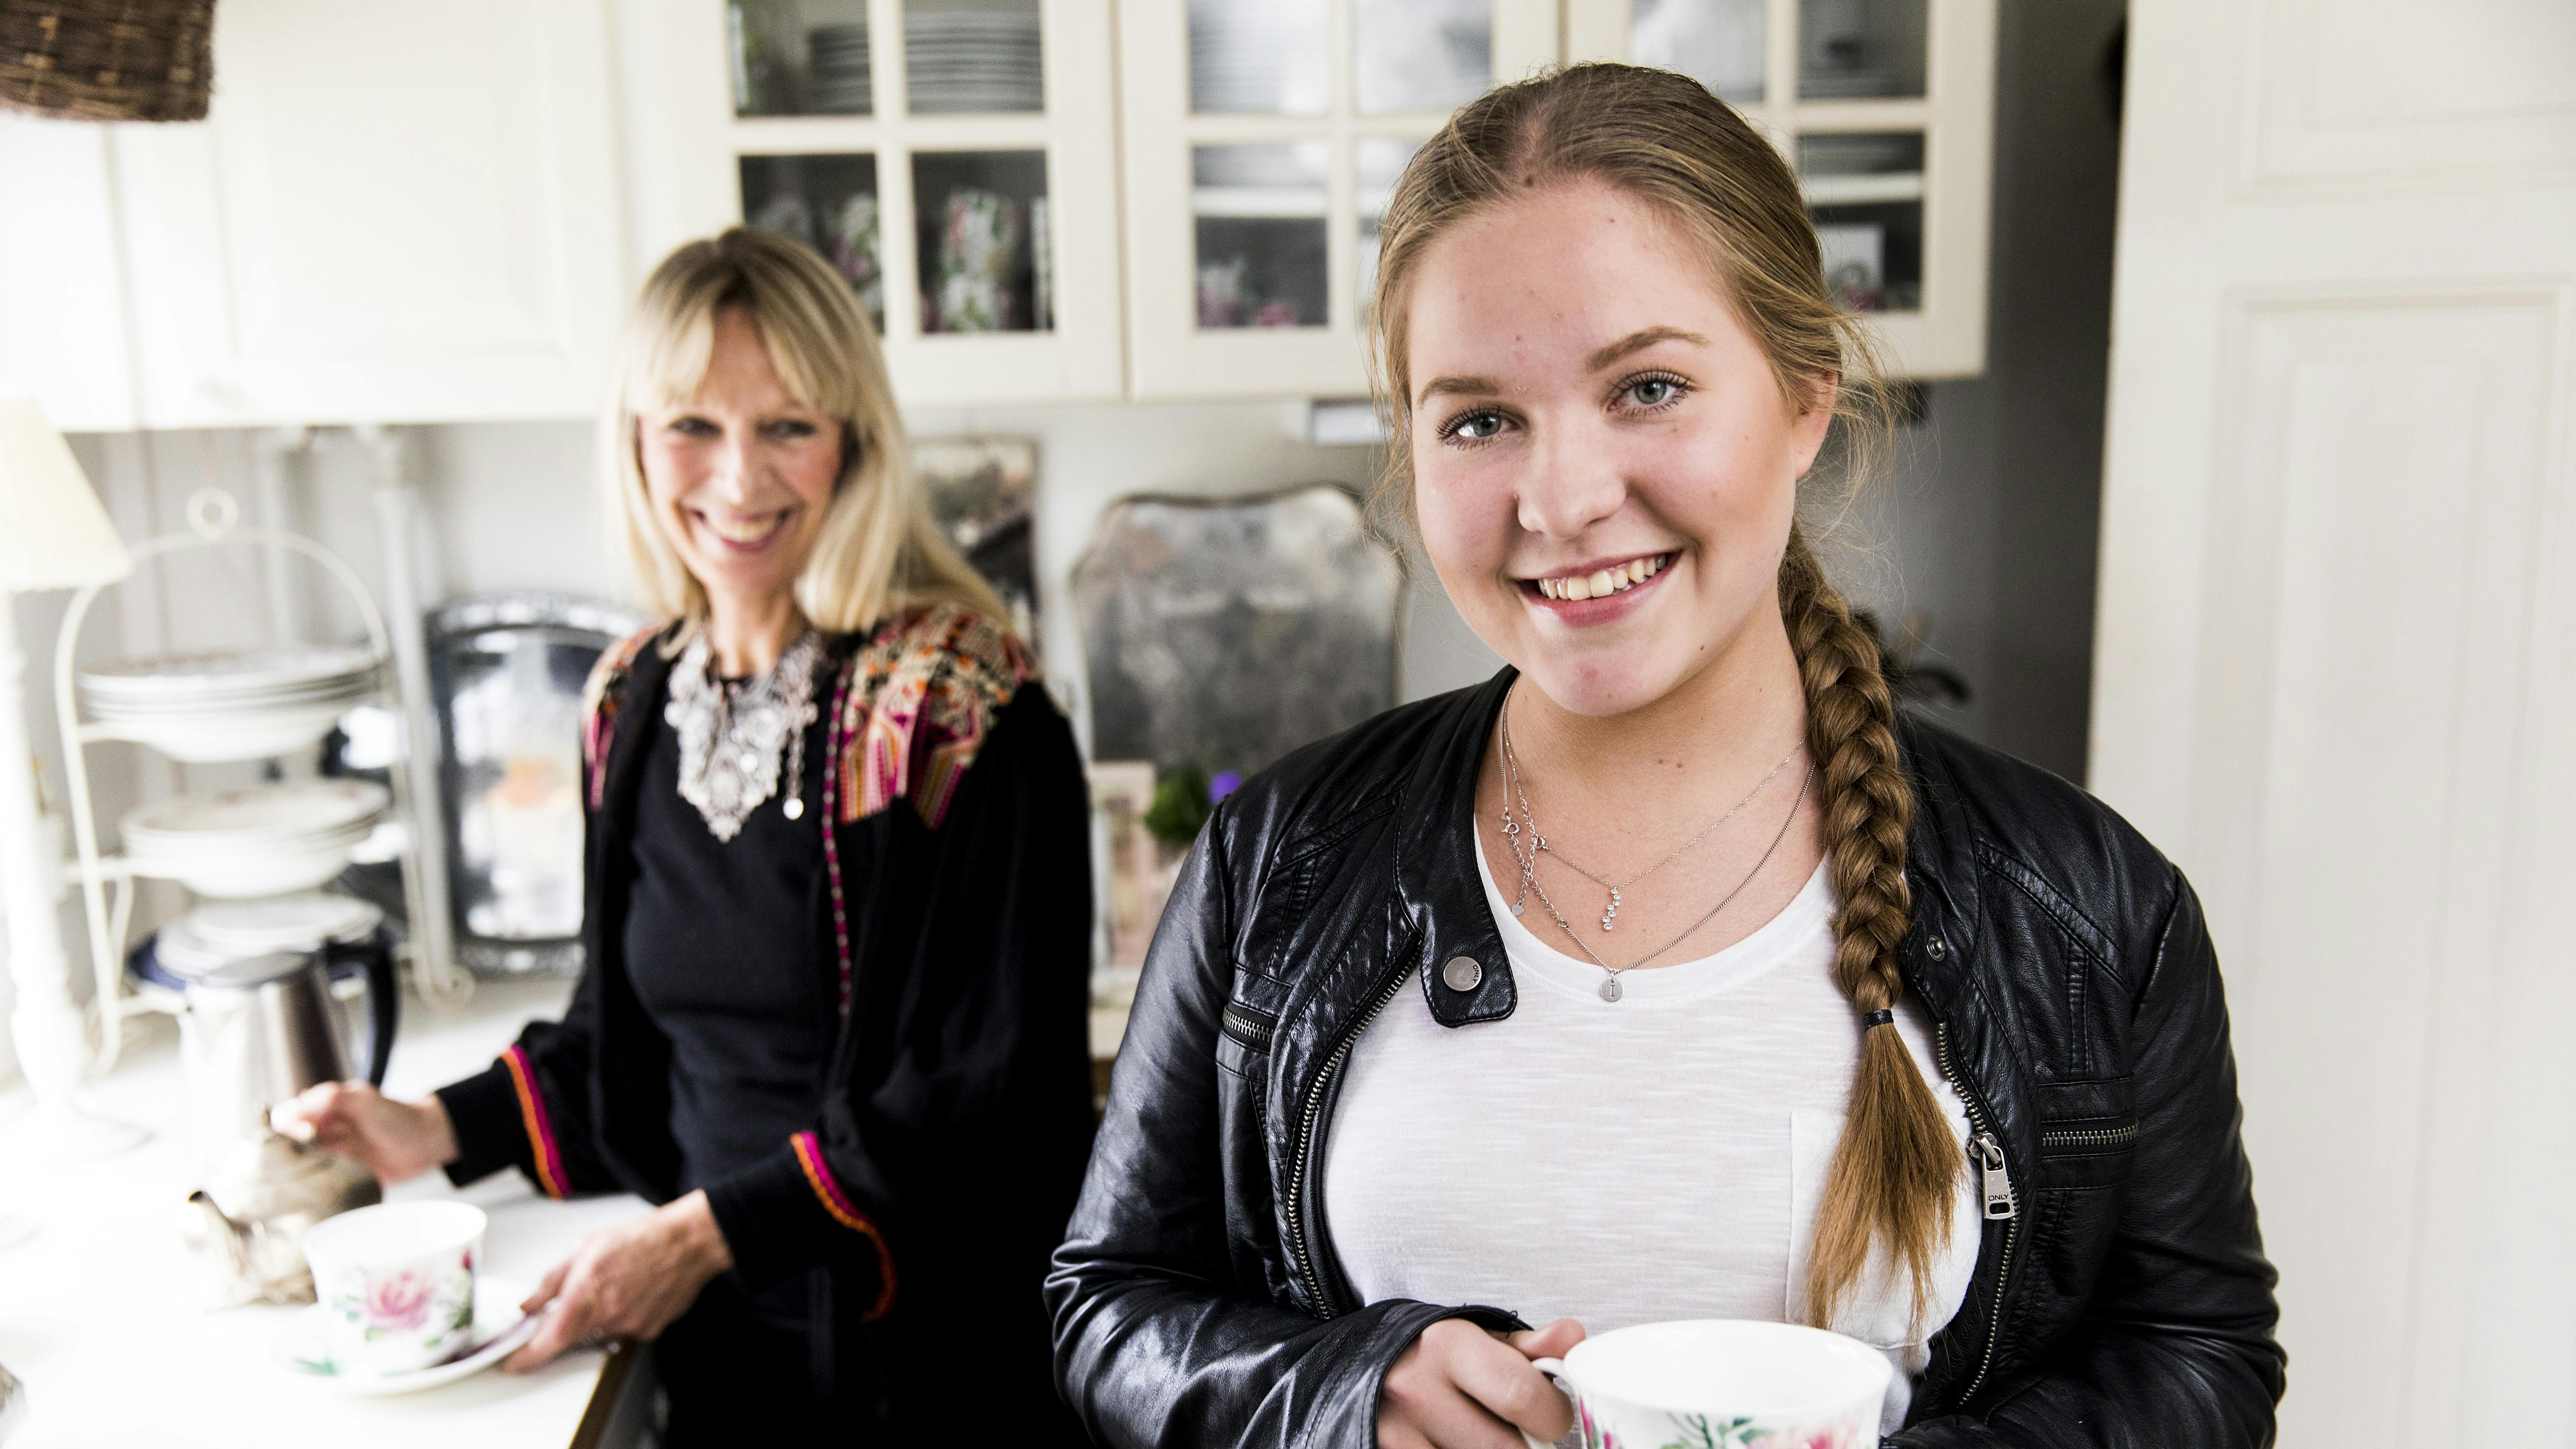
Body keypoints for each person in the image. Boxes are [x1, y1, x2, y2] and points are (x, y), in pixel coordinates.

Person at [1047, 64, 2282, 1449]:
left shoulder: (2093, 905)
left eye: (1646, 386)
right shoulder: (1271, 858)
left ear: (1807, 393)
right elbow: (1111, 1301)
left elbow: (2199, 1358)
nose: (1565, 500)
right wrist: (1343, 1393)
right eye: (1479, 418)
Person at [281, 228, 1096, 1442]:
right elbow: (626, 1037)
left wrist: (706, 1231)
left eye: (788, 425)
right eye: (693, 428)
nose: (738, 478)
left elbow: (988, 1090)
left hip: (927, 1354)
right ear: (636, 444)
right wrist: (432, 1127)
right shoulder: (628, 699)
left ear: (855, 440)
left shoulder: (959, 703)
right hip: (712, 1331)